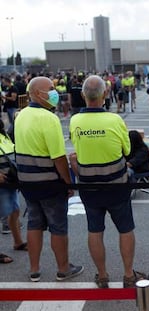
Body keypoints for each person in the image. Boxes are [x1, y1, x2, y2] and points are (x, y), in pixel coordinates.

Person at [69, 75, 144, 288]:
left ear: (83, 95)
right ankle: (129, 275)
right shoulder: (115, 120)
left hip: (89, 186)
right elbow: (127, 151)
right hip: (116, 185)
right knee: (125, 229)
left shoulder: (75, 121)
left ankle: (102, 275)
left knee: (95, 230)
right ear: (105, 94)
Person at [14, 76, 83, 282]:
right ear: (36, 94)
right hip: (50, 182)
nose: (54, 92)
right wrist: (68, 182)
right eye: (50, 89)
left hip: (26, 180)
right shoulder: (49, 118)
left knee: (34, 224)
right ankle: (63, 268)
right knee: (58, 226)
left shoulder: (20, 115)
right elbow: (59, 158)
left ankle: (34, 269)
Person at [0, 119, 27, 253]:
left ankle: (18, 242)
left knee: (15, 210)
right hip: (3, 181)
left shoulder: (3, 134)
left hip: (10, 181)